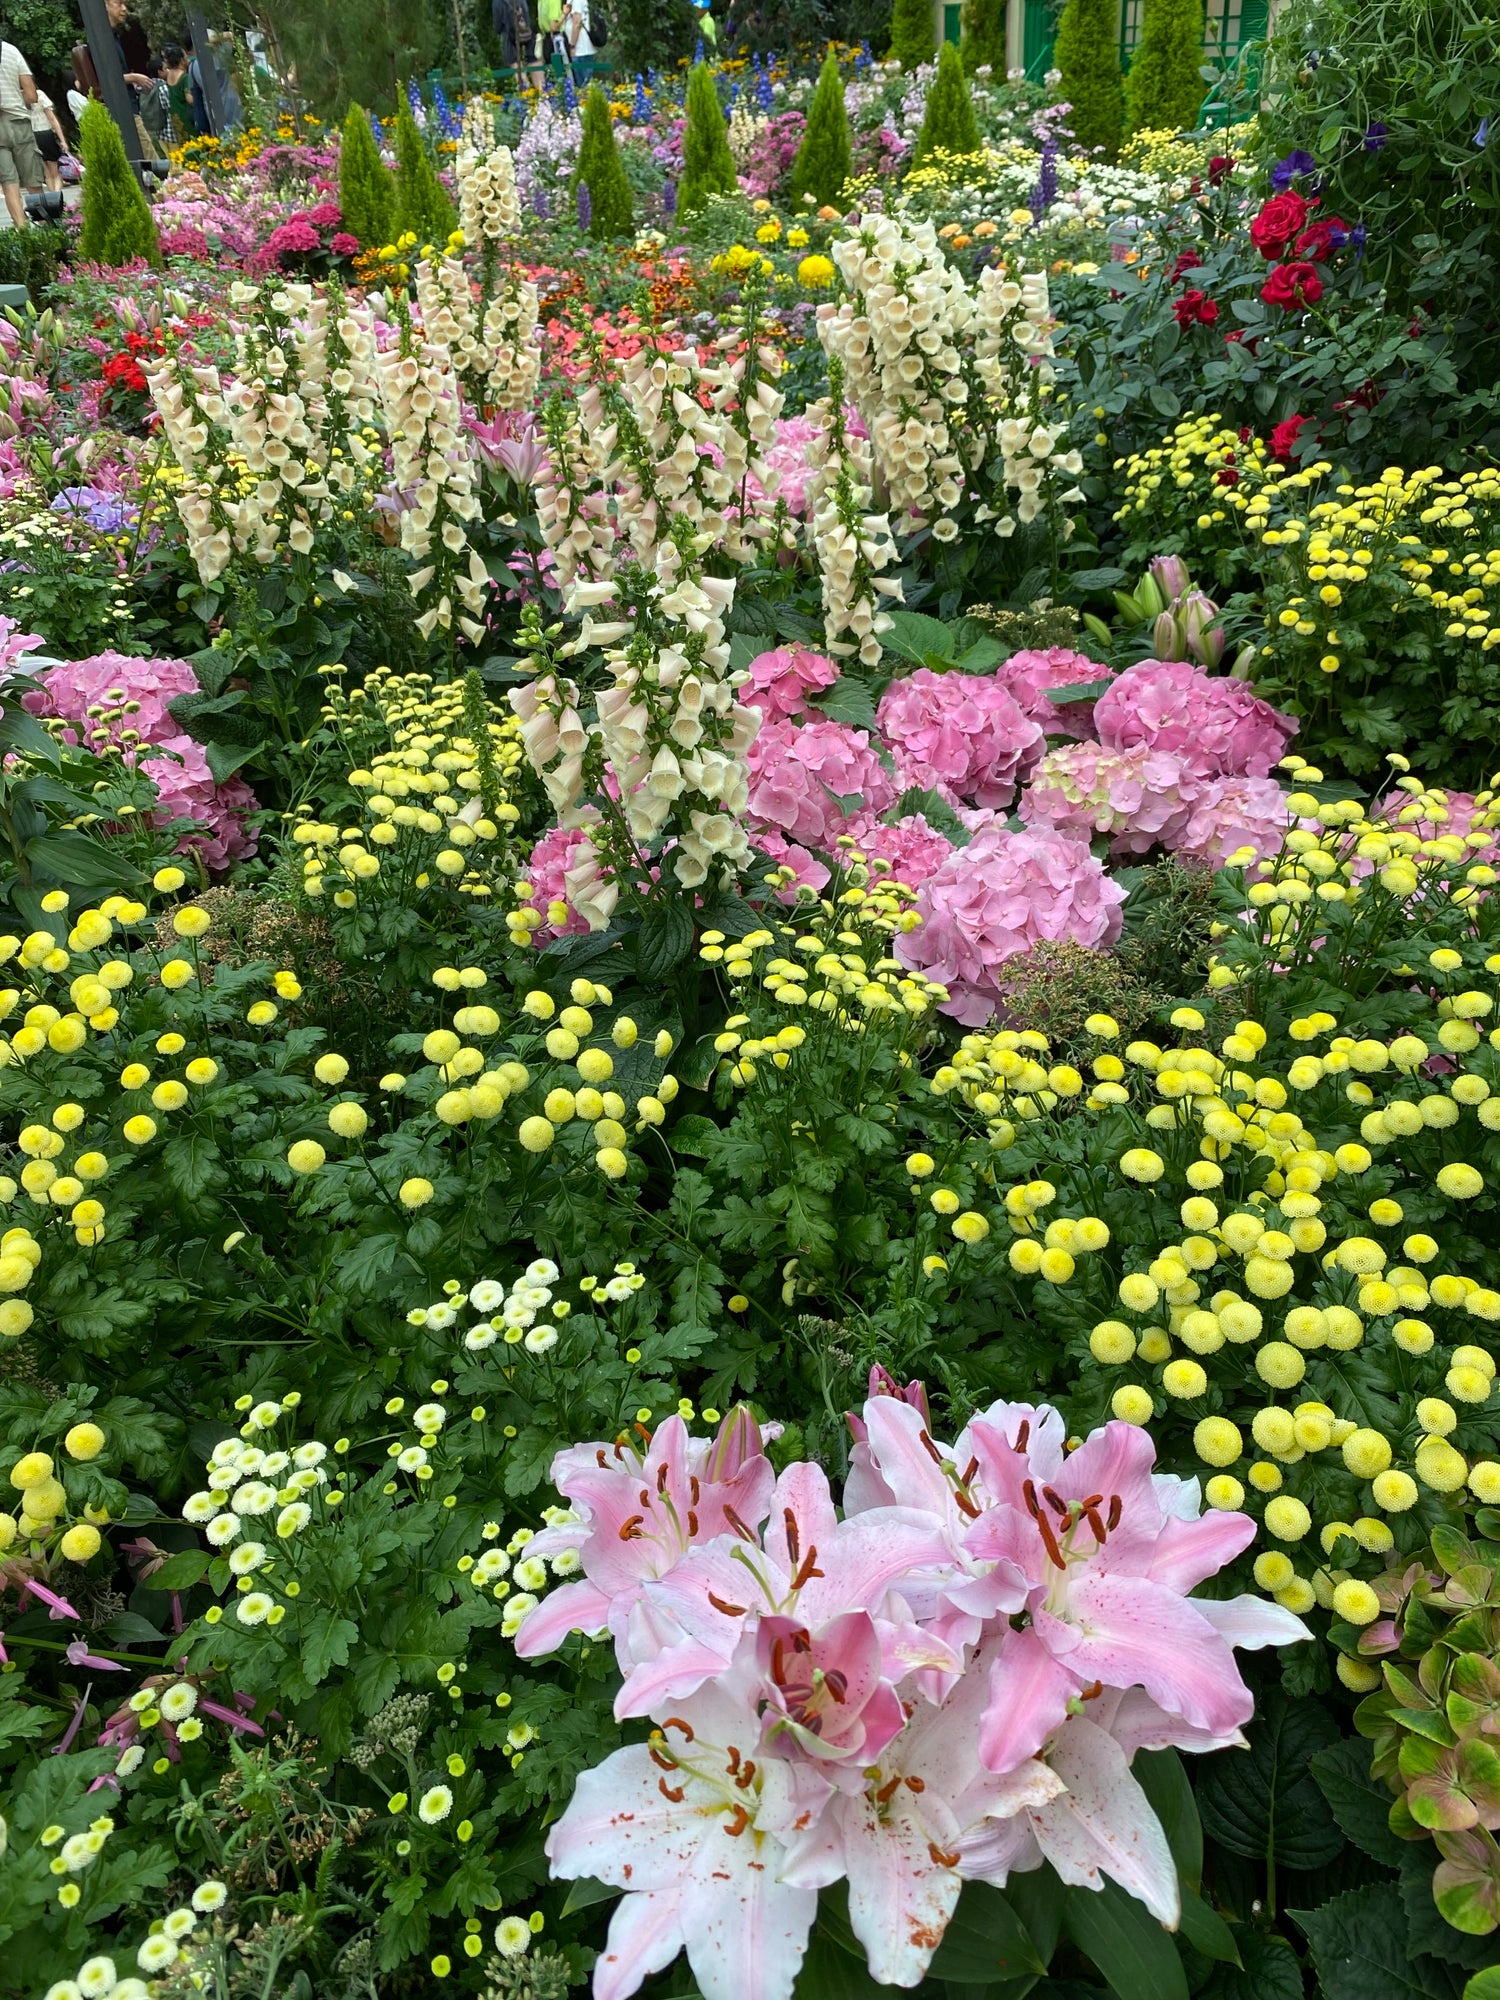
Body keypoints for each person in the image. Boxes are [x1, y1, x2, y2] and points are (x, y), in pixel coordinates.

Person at [0, 35, 40, 228]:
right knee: (33, 182)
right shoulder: (11, 51)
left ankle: (23, 233)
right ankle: (47, 231)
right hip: (19, 122)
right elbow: (32, 95)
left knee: (9, 184)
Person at [27, 82, 65, 193]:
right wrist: (62, 140)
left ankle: (51, 197)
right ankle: (57, 194)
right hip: (46, 134)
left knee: (46, 173)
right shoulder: (39, 95)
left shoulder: (20, 97)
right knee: (55, 172)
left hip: (33, 136)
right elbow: (52, 119)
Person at [561, 0, 596, 85]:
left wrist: (572, 45)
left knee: (583, 85)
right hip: (581, 48)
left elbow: (577, 23)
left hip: (580, 49)